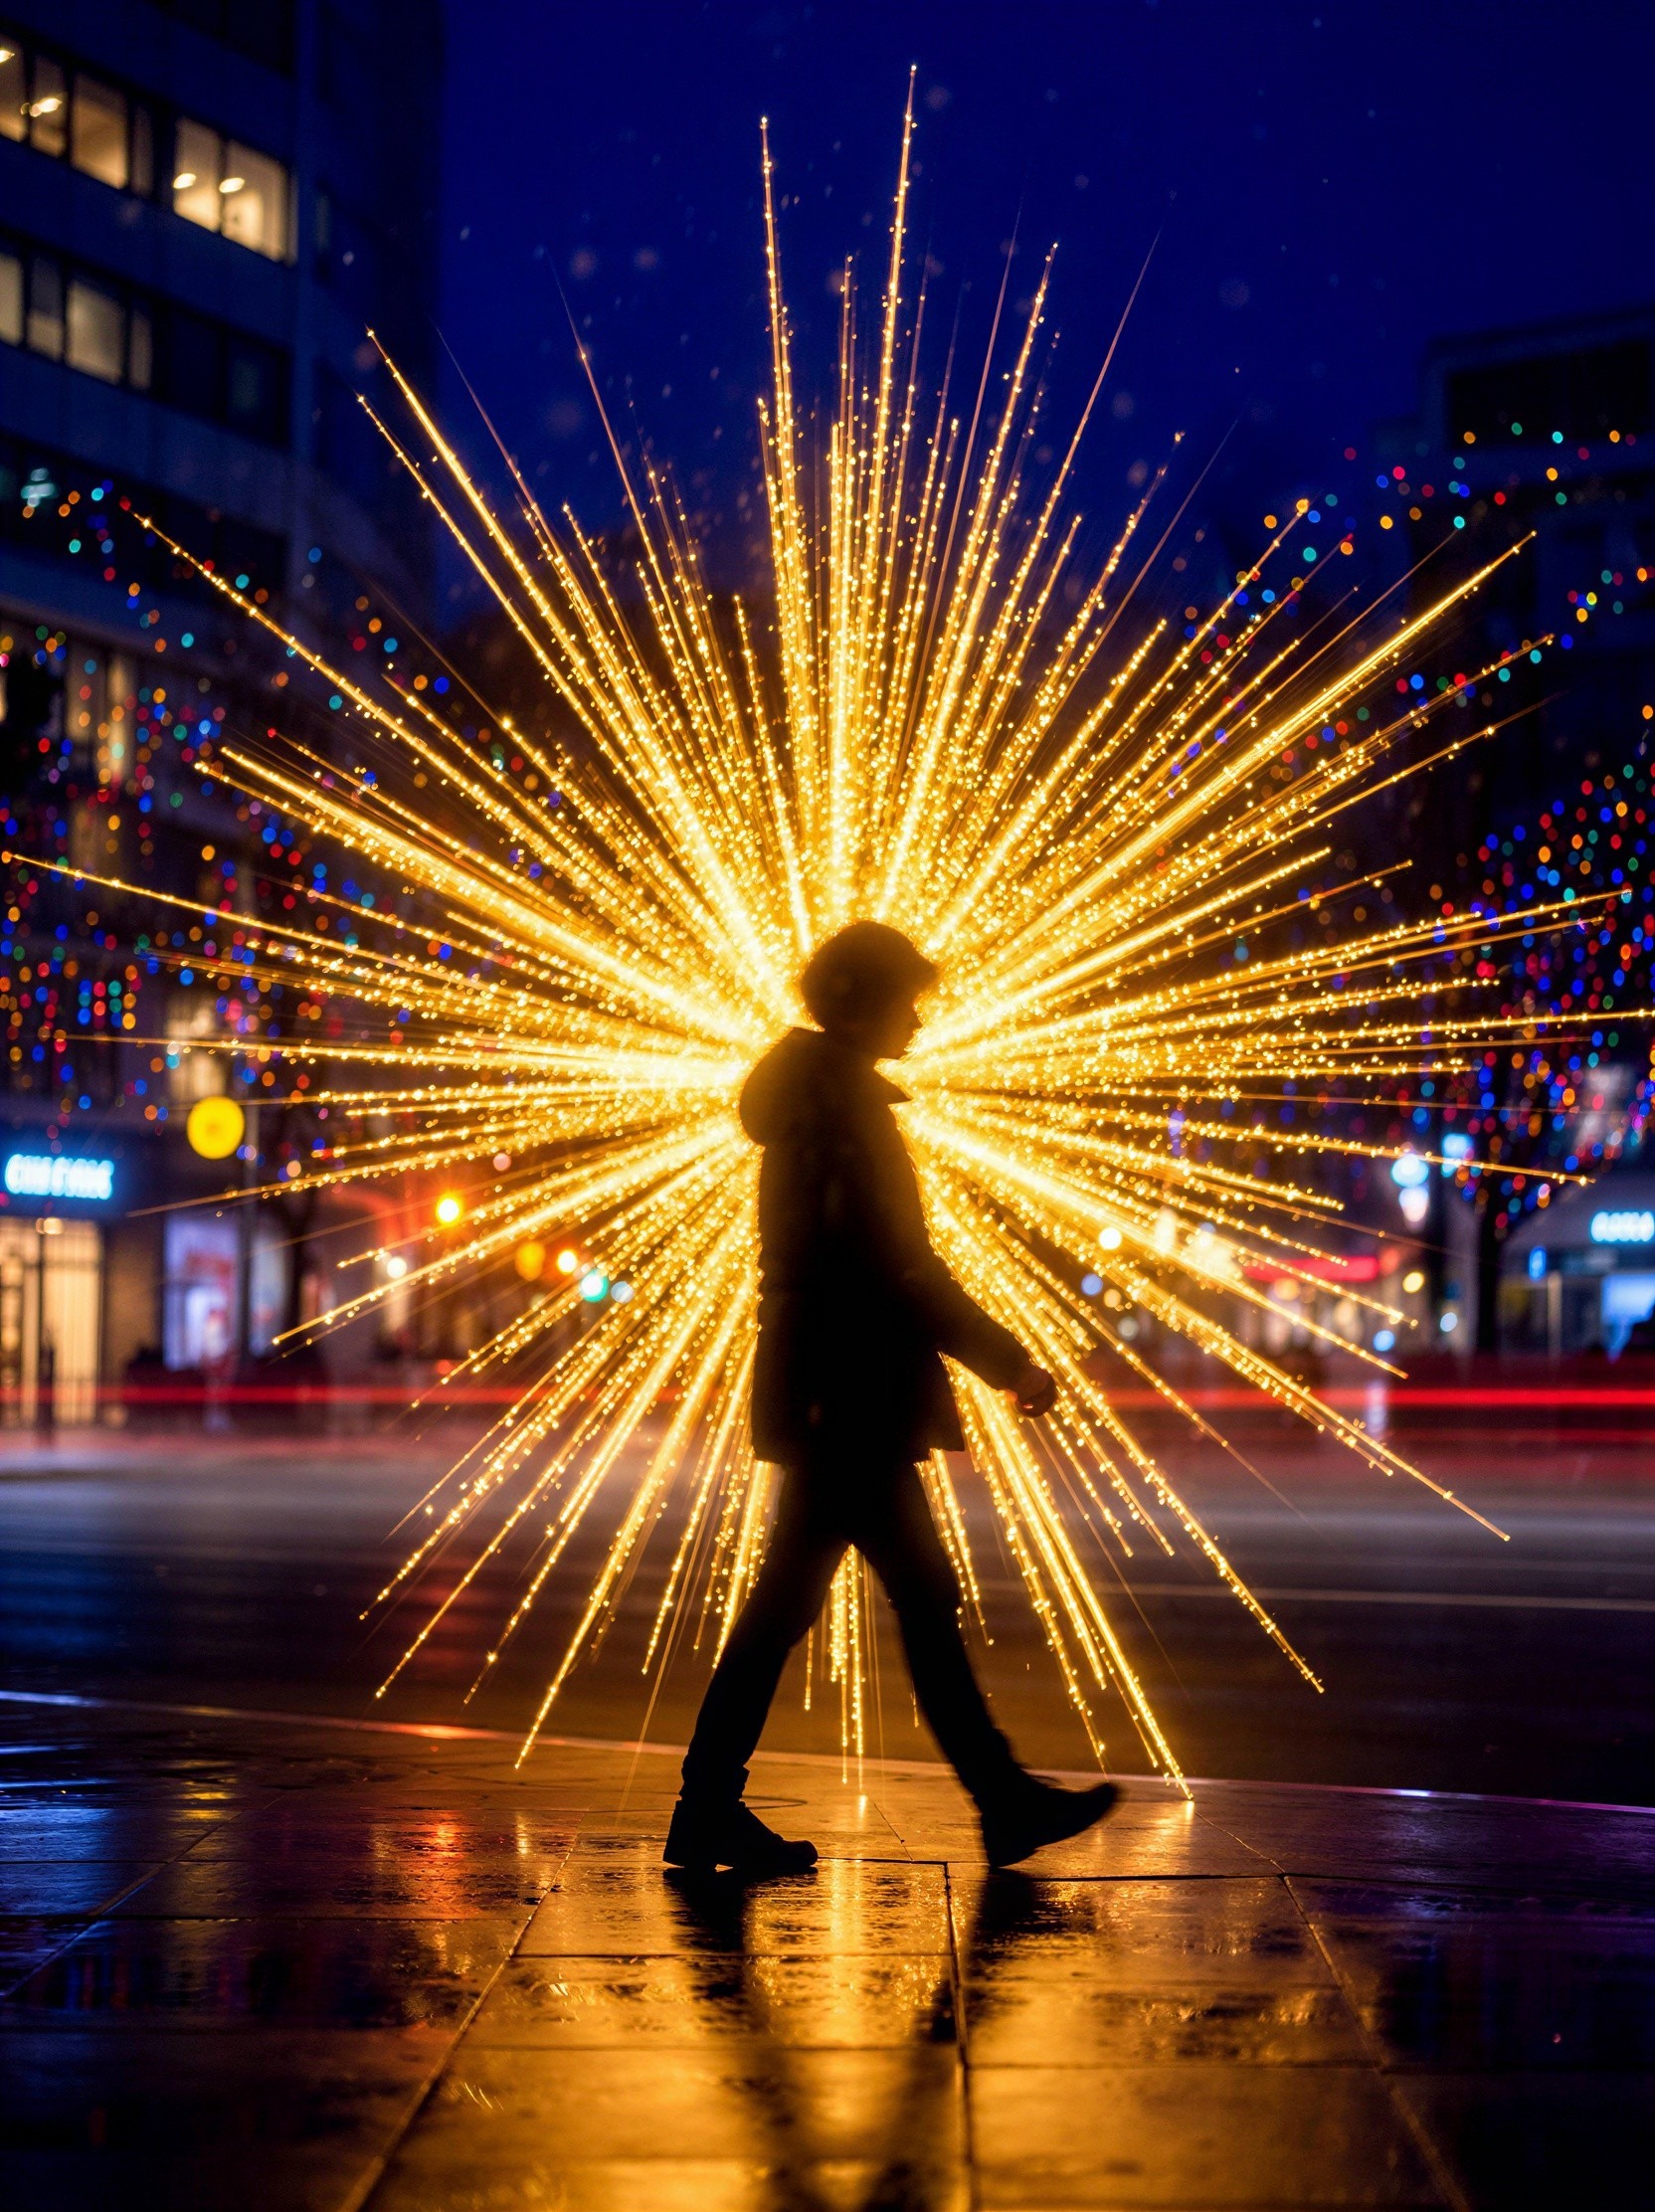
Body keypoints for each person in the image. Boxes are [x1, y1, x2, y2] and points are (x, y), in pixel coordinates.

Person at [665, 920, 1118, 1876]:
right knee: (907, 1596)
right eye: (907, 997)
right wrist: (1009, 1363)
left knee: (809, 1604)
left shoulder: (817, 1103)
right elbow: (903, 1269)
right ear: (864, 1003)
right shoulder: (842, 1112)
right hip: (848, 1391)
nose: (920, 1015)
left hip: (830, 1388)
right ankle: (999, 1803)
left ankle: (711, 1807)